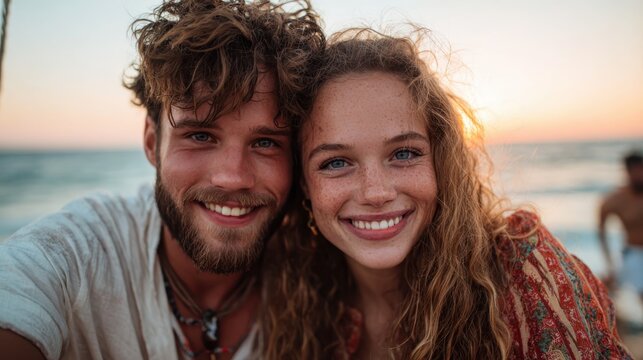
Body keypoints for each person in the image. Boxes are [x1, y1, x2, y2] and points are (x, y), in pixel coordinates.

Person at [260, 28, 632, 359]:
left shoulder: (523, 275)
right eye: (336, 162)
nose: (376, 192)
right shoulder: (295, 298)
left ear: (441, 162)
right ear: (305, 184)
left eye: (404, 153)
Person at [0, 1, 323, 359]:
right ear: (153, 143)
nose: (233, 177)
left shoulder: (324, 281)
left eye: (265, 143)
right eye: (200, 136)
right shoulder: (78, 254)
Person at [599, 151, 643, 298]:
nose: (640, 175)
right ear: (627, 172)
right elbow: (602, 233)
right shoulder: (616, 200)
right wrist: (610, 264)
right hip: (633, 254)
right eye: (636, 171)